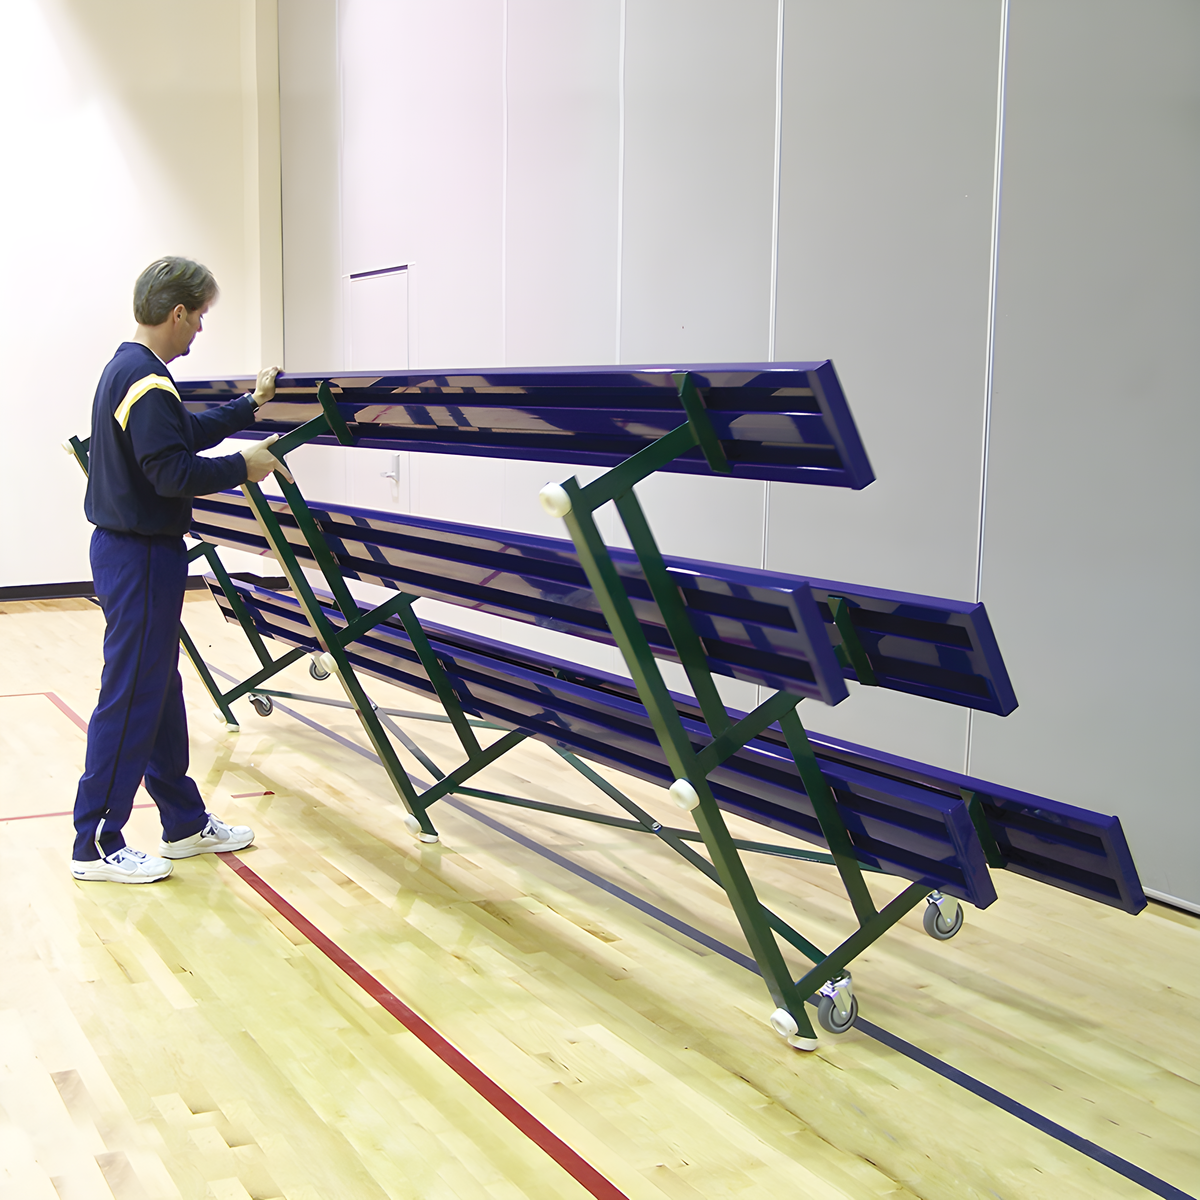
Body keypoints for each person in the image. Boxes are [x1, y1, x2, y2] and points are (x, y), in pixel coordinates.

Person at [71, 256, 294, 884]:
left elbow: (179, 436)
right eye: (198, 317)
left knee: (157, 688)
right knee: (131, 694)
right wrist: (242, 466)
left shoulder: (131, 369)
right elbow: (171, 472)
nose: (199, 329)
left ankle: (183, 822)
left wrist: (249, 406)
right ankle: (95, 842)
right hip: (139, 556)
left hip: (134, 553)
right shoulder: (146, 381)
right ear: (177, 312)